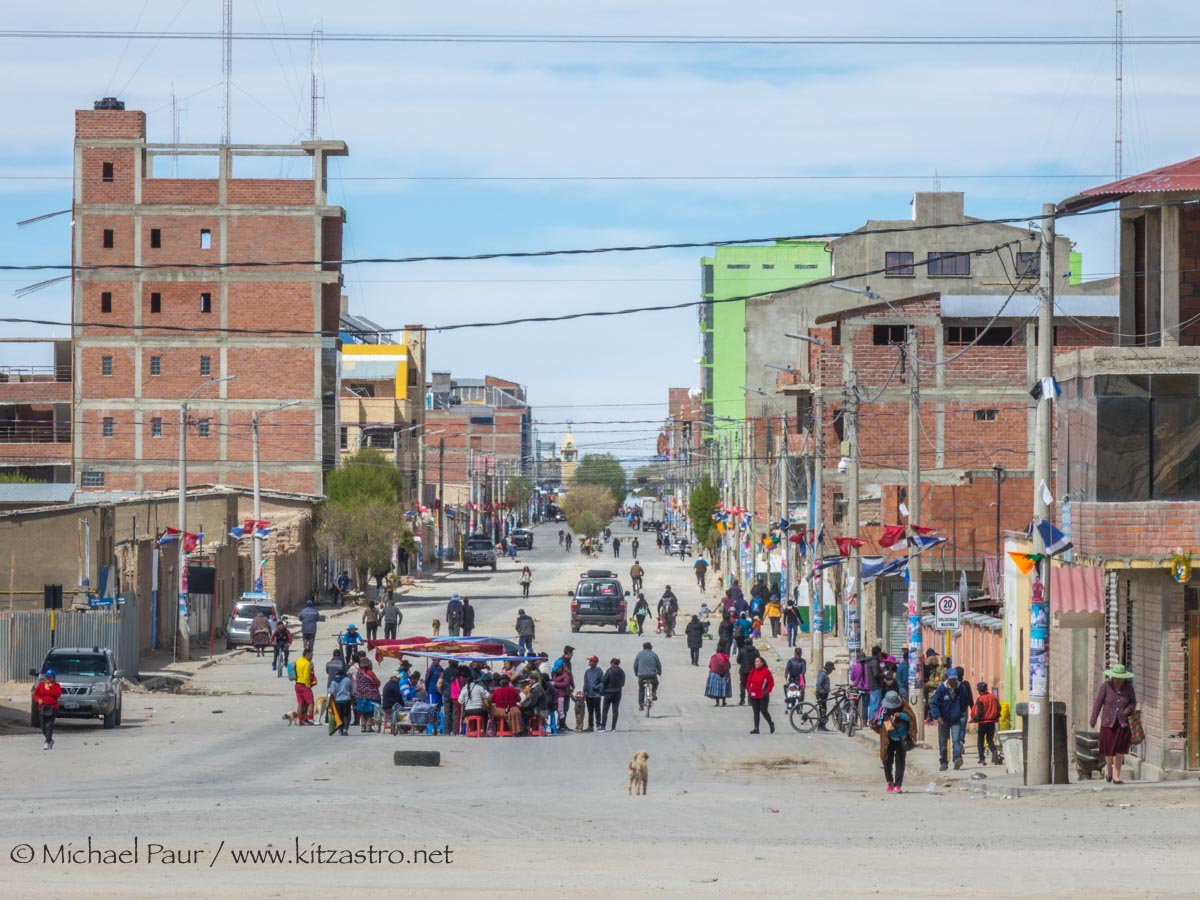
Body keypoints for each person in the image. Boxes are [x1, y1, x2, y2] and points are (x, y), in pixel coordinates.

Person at [1090, 663, 1138, 784]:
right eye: (1116, 677)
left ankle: (1116, 776)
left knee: (1120, 750)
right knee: (1109, 750)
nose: (1118, 680)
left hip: (1122, 724)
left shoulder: (1128, 688)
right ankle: (1108, 769)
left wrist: (1128, 709)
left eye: (1121, 678)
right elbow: (1098, 703)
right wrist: (1093, 719)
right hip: (1108, 723)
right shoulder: (1106, 686)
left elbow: (1133, 702)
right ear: (1112, 677)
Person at [872, 690, 916, 793]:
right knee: (887, 761)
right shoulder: (883, 710)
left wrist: (900, 715)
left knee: (900, 762)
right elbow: (876, 723)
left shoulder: (904, 706)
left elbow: (911, 718)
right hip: (888, 740)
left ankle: (898, 785)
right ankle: (889, 782)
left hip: (902, 738)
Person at [930, 666, 971, 771]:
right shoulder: (941, 689)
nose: (953, 681)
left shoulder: (961, 688)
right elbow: (934, 704)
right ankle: (943, 762)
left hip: (956, 719)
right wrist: (938, 716)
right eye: (951, 679)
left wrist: (960, 713)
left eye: (955, 679)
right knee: (943, 742)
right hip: (943, 720)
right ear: (947, 678)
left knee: (956, 740)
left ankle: (957, 758)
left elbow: (964, 702)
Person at [972, 681, 1001, 765]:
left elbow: (980, 712)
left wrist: (975, 718)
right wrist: (996, 716)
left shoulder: (980, 699)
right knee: (989, 739)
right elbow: (999, 708)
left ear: (979, 690)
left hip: (983, 722)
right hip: (992, 722)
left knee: (980, 740)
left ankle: (982, 758)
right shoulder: (993, 697)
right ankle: (994, 751)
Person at [746, 656, 776, 734]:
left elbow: (771, 683)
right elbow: (748, 682)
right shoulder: (752, 671)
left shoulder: (766, 671)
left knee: (764, 711)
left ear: (761, 663)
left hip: (763, 696)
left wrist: (766, 692)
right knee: (756, 712)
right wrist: (749, 690)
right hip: (753, 695)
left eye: (757, 661)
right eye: (755, 661)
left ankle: (771, 723)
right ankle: (756, 728)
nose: (755, 663)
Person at [34, 668, 61, 750]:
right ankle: (50, 740)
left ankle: (46, 742)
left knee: (49, 725)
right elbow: (35, 694)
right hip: (42, 707)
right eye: (47, 677)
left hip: (52, 708)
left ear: (53, 678)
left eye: (50, 677)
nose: (48, 678)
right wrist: (38, 699)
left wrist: (50, 688)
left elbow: (58, 695)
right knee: (43, 726)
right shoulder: (41, 685)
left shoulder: (57, 686)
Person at [633, 641, 662, 710]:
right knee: (656, 683)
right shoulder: (654, 654)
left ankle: (641, 705)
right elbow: (658, 664)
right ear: (650, 647)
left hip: (642, 675)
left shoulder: (639, 654)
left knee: (641, 689)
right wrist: (659, 672)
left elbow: (635, 665)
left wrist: (636, 673)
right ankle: (653, 692)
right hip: (652, 675)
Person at [553, 646, 576, 729]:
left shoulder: (568, 661)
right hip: (561, 689)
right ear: (568, 653)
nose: (572, 656)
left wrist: (572, 685)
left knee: (565, 708)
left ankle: (563, 724)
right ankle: (561, 724)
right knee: (561, 708)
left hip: (567, 687)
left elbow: (570, 674)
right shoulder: (561, 661)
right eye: (572, 654)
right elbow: (554, 673)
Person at [294, 648, 317, 724]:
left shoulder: (298, 661)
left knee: (300, 703)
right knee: (311, 703)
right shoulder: (307, 663)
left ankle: (300, 720)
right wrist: (308, 686)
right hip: (304, 685)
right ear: (307, 654)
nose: (312, 656)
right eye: (311, 655)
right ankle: (310, 718)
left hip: (297, 684)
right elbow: (306, 676)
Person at [601, 658, 625, 731]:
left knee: (605, 710)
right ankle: (613, 727)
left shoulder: (609, 671)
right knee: (615, 710)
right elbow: (623, 683)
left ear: (612, 663)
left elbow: (604, 681)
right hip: (617, 692)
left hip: (608, 692)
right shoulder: (622, 672)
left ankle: (603, 727)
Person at [582, 655, 604, 731]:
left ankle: (598, 724)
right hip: (589, 695)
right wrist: (584, 692)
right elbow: (585, 682)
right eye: (589, 661)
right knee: (590, 711)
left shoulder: (599, 671)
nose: (589, 662)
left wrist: (596, 687)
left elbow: (602, 682)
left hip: (596, 695)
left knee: (597, 710)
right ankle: (590, 726)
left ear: (595, 662)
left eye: (591, 661)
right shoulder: (587, 672)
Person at [736, 637, 760, 706]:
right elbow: (759, 661)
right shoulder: (756, 651)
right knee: (751, 685)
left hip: (743, 671)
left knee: (742, 685)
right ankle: (750, 700)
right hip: (753, 671)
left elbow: (738, 661)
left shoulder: (741, 650)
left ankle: (742, 700)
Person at [330, 669, 353, 735]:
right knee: (347, 715)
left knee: (339, 716)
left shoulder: (334, 681)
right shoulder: (347, 680)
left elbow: (331, 691)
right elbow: (351, 690)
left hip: (338, 701)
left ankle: (340, 729)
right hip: (347, 700)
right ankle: (345, 729)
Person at [865, 645, 885, 722]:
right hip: (876, 685)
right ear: (878, 653)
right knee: (875, 705)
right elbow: (875, 674)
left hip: (873, 685)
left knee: (874, 704)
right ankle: (873, 720)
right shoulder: (875, 662)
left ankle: (873, 720)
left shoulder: (871, 661)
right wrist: (883, 674)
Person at [815, 660, 835, 731]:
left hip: (824, 694)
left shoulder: (824, 674)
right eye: (831, 670)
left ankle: (821, 725)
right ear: (828, 669)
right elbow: (818, 684)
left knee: (823, 709)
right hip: (821, 694)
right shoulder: (823, 674)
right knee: (822, 710)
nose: (831, 671)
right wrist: (823, 691)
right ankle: (821, 726)